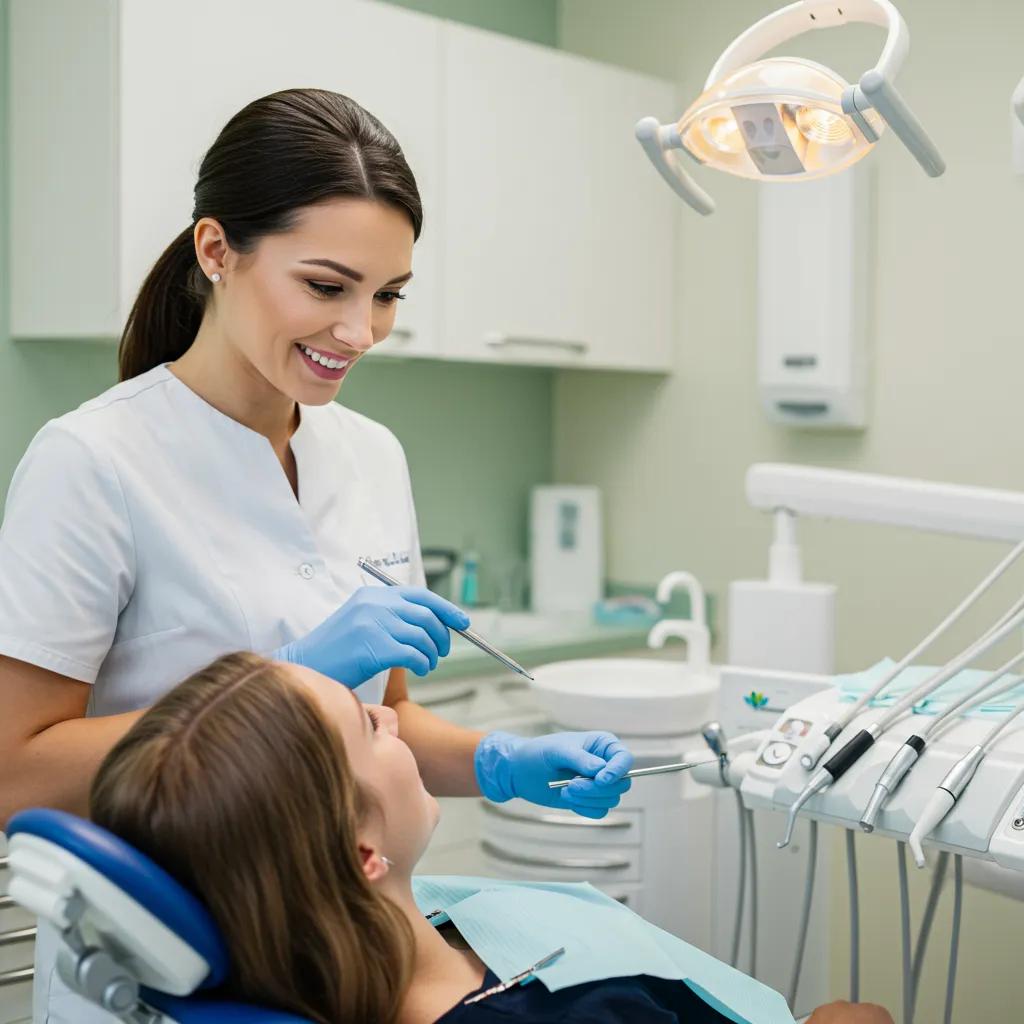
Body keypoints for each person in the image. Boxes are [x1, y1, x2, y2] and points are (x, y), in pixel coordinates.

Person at [0, 88, 631, 1022]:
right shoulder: (93, 463)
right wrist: (279, 685)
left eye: (388, 296)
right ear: (217, 251)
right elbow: (16, 771)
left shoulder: (371, 456)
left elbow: (389, 723)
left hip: (343, 957)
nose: (361, 331)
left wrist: (499, 760)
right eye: (327, 287)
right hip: (178, 974)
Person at [89, 651, 894, 1024]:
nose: (389, 713)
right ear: (362, 856)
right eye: (369, 728)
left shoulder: (411, 930)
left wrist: (501, 763)